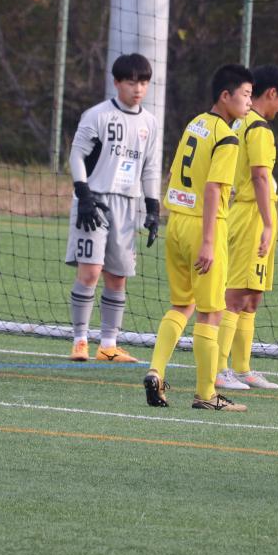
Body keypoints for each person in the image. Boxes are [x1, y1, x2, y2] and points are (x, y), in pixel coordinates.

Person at [143, 64, 253, 411]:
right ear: (225, 96)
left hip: (176, 222)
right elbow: (212, 189)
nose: (249, 102)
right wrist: (207, 241)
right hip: (205, 227)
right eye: (245, 95)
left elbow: (174, 173)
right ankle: (206, 394)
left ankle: (156, 371)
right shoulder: (227, 136)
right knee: (211, 313)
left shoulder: (195, 124)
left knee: (182, 305)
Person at [65, 53, 161, 364]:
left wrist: (153, 207)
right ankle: (80, 340)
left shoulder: (150, 123)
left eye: (143, 82)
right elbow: (76, 155)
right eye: (131, 82)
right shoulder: (97, 115)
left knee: (118, 276)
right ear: (117, 82)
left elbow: (150, 167)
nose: (138, 88)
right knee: (90, 271)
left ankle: (108, 346)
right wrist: (83, 195)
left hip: (127, 204)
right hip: (94, 200)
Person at [215, 65, 278, 393]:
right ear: (271, 93)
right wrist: (268, 223)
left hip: (250, 212)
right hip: (252, 216)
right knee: (235, 295)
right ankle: (219, 369)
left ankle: (242, 368)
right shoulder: (257, 127)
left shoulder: (239, 122)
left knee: (252, 297)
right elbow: (259, 176)